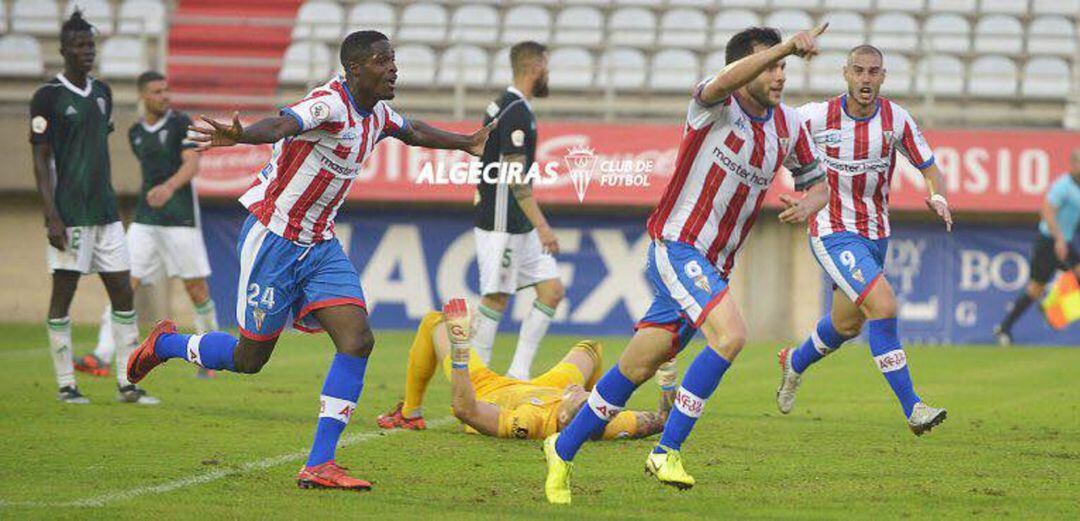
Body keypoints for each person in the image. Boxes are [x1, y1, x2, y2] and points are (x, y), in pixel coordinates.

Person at [124, 31, 493, 491]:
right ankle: (166, 345)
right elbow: (282, 125)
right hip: (274, 239)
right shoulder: (329, 104)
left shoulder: (376, 113)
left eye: (393, 59)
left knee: (357, 340)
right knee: (248, 357)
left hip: (319, 245)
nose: (393, 68)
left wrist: (467, 143)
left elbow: (413, 130)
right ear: (355, 69)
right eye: (383, 61)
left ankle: (320, 463)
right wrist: (241, 136)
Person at [542, 25, 830, 504]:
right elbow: (721, 82)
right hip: (678, 244)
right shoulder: (713, 105)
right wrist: (787, 46)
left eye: (783, 66)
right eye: (770, 65)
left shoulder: (791, 127)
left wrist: (812, 203)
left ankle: (562, 447)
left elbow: (817, 182)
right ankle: (667, 449)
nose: (779, 74)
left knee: (637, 366)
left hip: (713, 263)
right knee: (732, 335)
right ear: (745, 69)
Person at [775, 45, 952, 435]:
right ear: (846, 73)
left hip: (875, 234)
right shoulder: (815, 117)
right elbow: (773, 133)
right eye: (858, 70)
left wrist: (937, 195)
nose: (866, 79)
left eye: (873, 72)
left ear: (883, 77)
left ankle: (794, 362)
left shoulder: (895, 119)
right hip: (832, 230)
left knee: (846, 324)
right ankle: (914, 408)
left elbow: (929, 166)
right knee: (884, 307)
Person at [30, 10, 151, 404]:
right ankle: (67, 384)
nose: (87, 52)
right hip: (70, 215)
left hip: (106, 213)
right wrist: (51, 215)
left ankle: (126, 381)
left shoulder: (103, 93)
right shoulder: (47, 97)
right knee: (62, 296)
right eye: (80, 46)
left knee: (123, 294)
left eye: (91, 46)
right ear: (63, 50)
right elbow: (40, 160)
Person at [76, 71, 217, 381]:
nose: (164, 95)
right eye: (157, 91)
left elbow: (192, 164)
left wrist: (168, 188)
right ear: (143, 96)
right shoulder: (136, 132)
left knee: (196, 289)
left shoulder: (184, 123)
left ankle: (210, 356)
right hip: (145, 219)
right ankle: (101, 354)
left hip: (181, 218)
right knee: (124, 284)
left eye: (167, 89)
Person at [376, 299, 674, 440]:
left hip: (488, 389)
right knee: (590, 349)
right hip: (547, 388)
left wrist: (460, 347)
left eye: (582, 397)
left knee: (433, 321)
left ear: (563, 416)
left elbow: (465, 409)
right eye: (591, 397)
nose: (585, 392)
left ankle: (410, 414)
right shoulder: (611, 423)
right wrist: (668, 381)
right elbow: (662, 420)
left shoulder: (529, 421)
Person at [472, 41, 564, 380]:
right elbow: (514, 177)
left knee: (552, 290)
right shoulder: (514, 111)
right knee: (495, 297)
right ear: (535, 66)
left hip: (517, 222)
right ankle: (476, 381)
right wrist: (543, 227)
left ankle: (517, 375)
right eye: (547, 66)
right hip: (502, 222)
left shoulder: (507, 105)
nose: (548, 73)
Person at [994, 148, 1080, 344]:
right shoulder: (1063, 186)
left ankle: (1050, 305)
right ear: (1073, 165)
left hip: (1064, 242)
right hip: (1049, 241)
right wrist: (1058, 238)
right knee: (1035, 289)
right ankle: (1003, 328)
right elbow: (1047, 211)